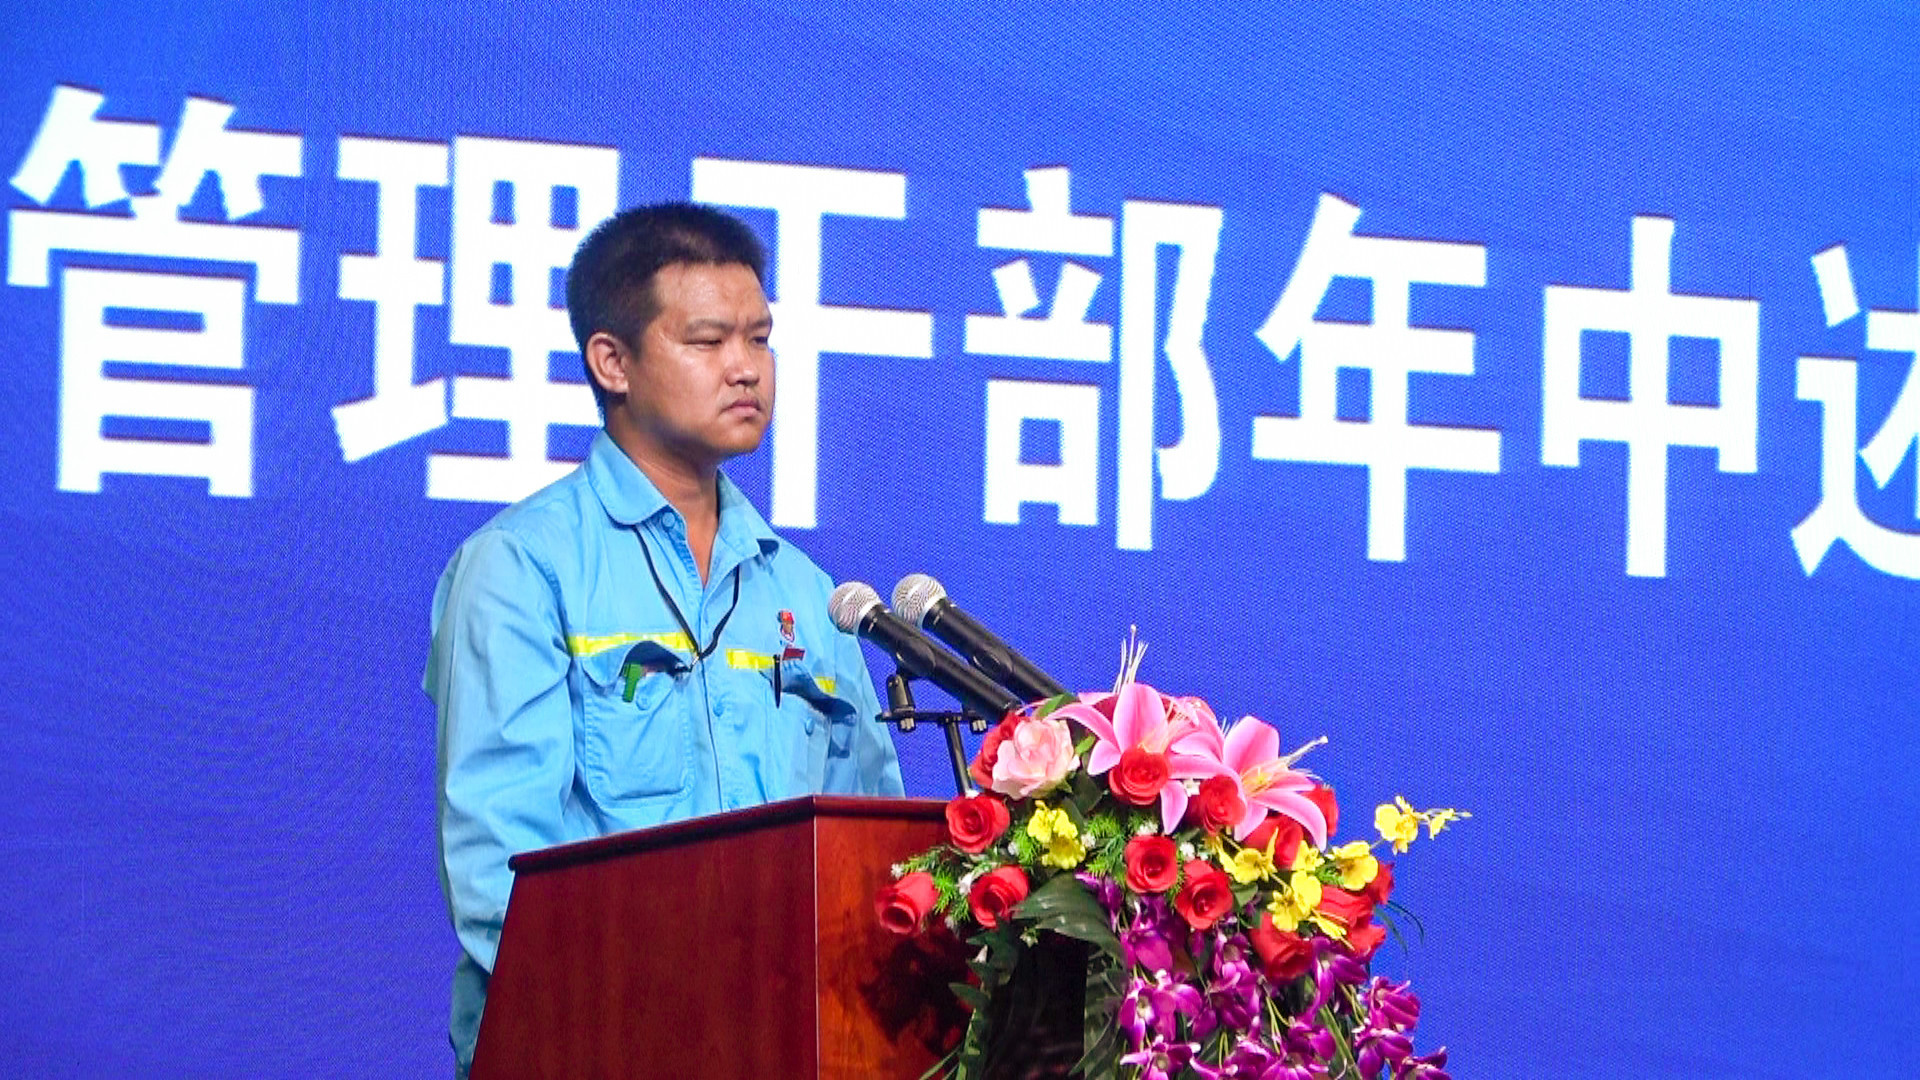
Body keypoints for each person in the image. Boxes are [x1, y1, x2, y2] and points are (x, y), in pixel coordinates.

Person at [424, 203, 904, 1076]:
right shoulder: (523, 569)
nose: (746, 368)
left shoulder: (809, 593)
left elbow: (870, 863)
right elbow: (504, 877)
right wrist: (686, 1030)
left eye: (760, 340)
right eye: (708, 341)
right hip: (591, 1048)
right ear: (612, 361)